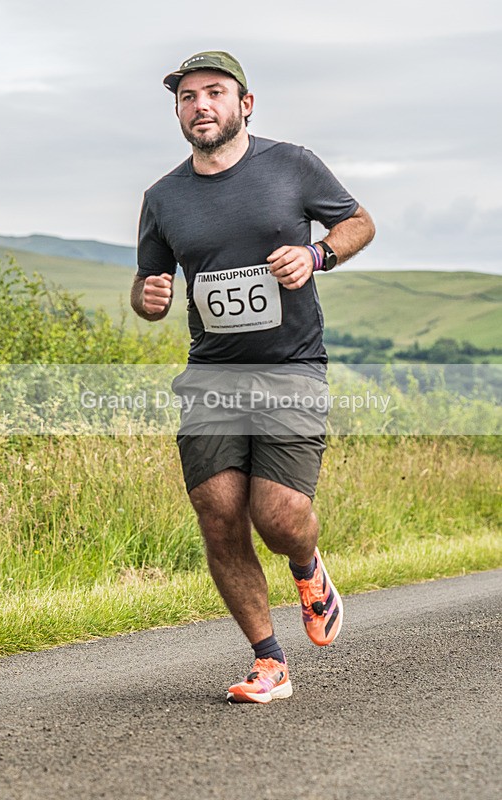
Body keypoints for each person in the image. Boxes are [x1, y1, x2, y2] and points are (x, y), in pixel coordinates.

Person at [131, 51, 375, 703]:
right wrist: (147, 298)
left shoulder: (290, 164)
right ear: (178, 111)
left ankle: (305, 565)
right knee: (217, 513)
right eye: (187, 96)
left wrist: (316, 253)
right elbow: (147, 284)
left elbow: (358, 222)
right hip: (212, 375)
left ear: (245, 104)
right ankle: (268, 661)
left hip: (291, 369)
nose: (200, 105)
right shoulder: (162, 198)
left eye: (214, 93)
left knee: (278, 514)